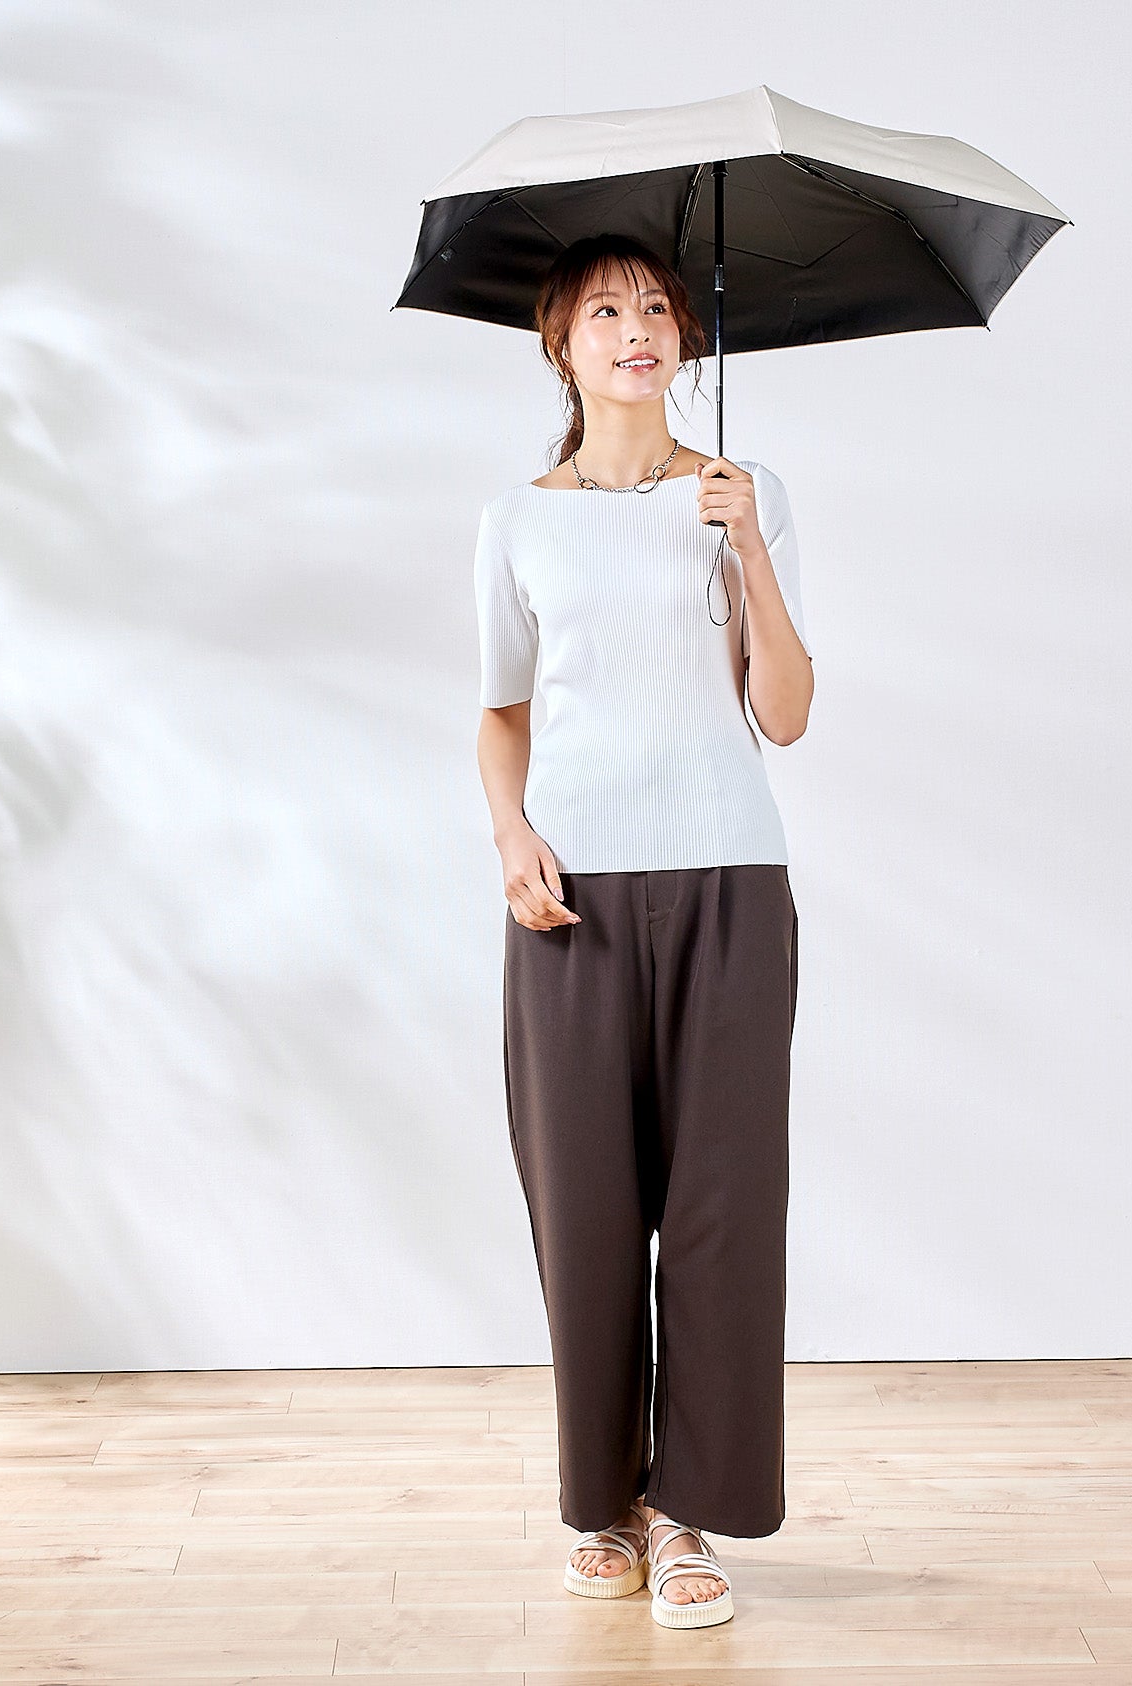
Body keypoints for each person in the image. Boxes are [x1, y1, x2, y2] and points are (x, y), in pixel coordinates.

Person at [473, 233, 814, 1630]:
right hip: (575, 897)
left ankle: (691, 1509)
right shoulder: (519, 518)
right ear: (560, 345)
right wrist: (512, 834)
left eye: (660, 307)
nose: (638, 329)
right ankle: (602, 1501)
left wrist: (749, 548)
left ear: (687, 340)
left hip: (731, 874)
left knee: (724, 1208)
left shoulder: (743, 493)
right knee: (587, 1205)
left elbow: (784, 712)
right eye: (606, 310)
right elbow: (502, 710)